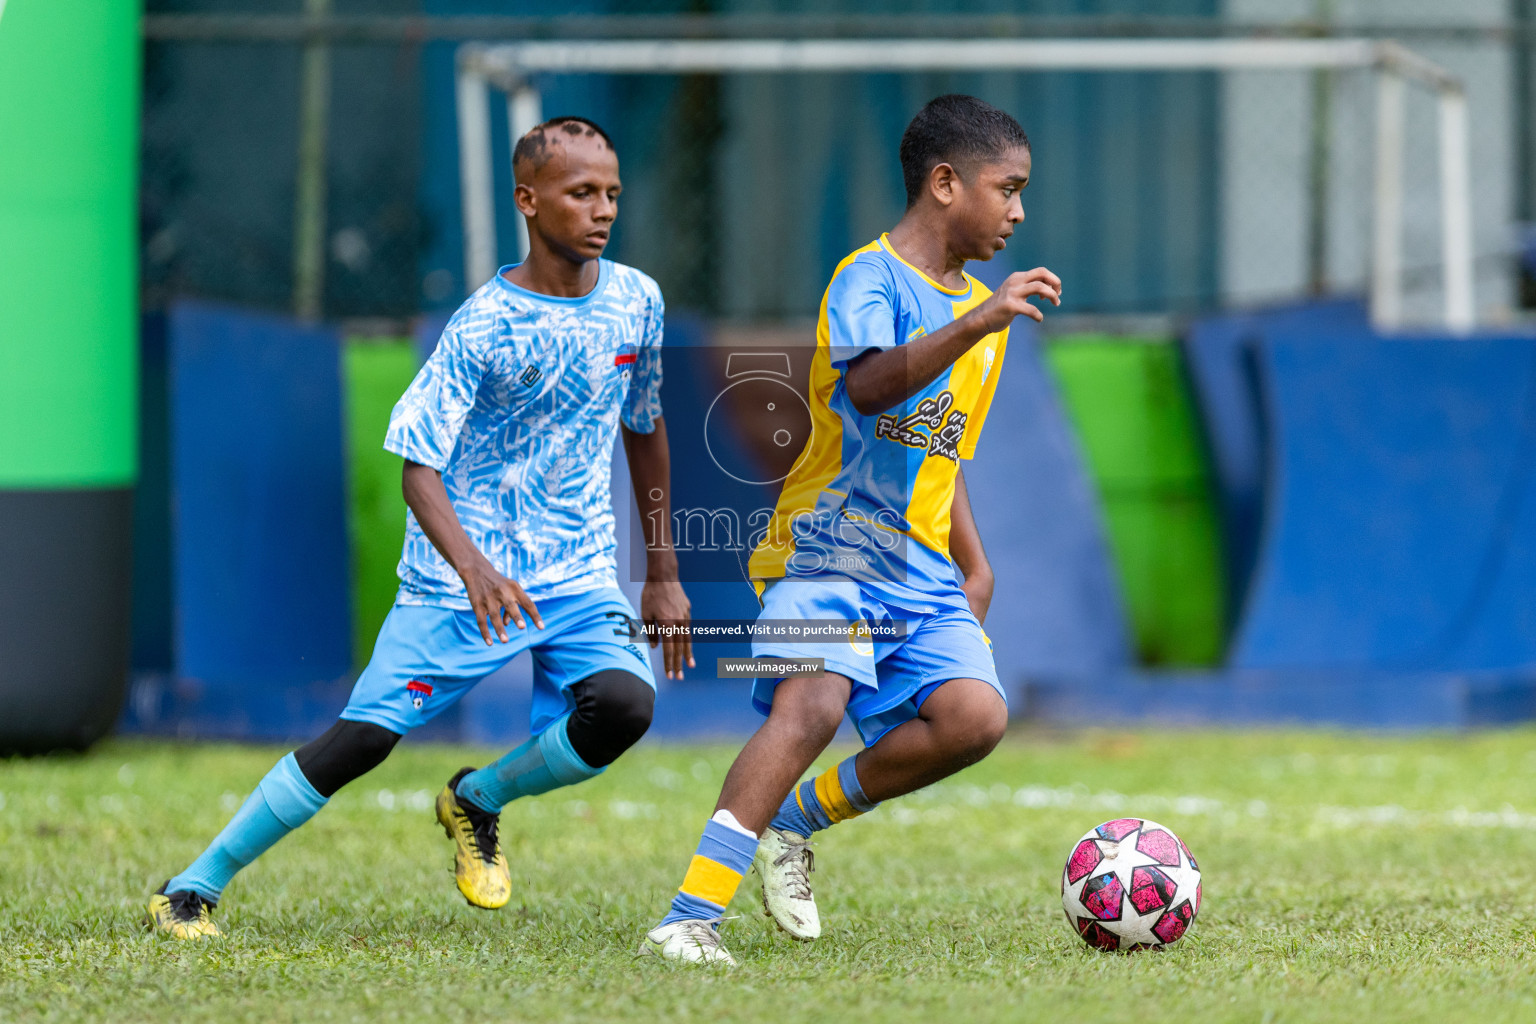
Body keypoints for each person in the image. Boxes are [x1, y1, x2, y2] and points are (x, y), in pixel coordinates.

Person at [147, 116, 693, 939]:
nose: (603, 209)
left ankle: (478, 798)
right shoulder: (482, 325)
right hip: (459, 578)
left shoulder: (637, 300)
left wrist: (663, 571)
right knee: (361, 743)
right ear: (529, 201)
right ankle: (193, 885)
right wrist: (474, 568)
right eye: (582, 193)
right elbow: (417, 467)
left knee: (623, 706)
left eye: (612, 192)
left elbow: (645, 430)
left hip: (579, 570)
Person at [639, 94, 1061, 965]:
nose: (1019, 212)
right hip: (825, 548)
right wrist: (977, 318)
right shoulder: (866, 279)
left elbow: (944, 454)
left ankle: (792, 824)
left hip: (922, 570)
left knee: (975, 718)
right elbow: (870, 389)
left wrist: (975, 568)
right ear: (946, 184)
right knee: (811, 708)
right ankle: (689, 918)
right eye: (1007, 188)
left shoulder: (986, 311)